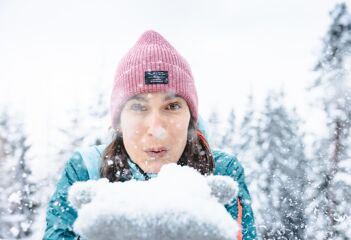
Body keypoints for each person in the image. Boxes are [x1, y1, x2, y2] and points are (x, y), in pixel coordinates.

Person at [43, 30, 257, 240]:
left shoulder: (221, 172)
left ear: (190, 119)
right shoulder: (85, 170)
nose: (156, 129)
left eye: (172, 106)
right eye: (138, 107)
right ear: (119, 122)